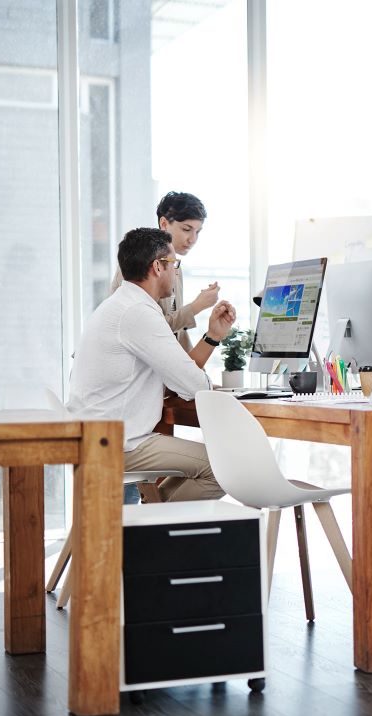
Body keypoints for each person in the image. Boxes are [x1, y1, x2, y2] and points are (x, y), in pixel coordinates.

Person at [69, 227, 236, 502]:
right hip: (116, 443)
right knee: (228, 467)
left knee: (212, 462)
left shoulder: (122, 305)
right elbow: (193, 384)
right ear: (158, 267)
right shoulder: (138, 313)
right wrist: (203, 381)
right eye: (174, 265)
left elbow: (179, 375)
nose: (176, 272)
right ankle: (152, 535)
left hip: (98, 437)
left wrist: (212, 337)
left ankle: (149, 529)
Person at [110, 191, 220, 351]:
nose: (193, 239)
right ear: (163, 224)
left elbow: (175, 329)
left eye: (198, 232)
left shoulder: (174, 266)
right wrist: (196, 306)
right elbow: (151, 329)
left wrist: (194, 368)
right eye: (187, 229)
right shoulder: (138, 262)